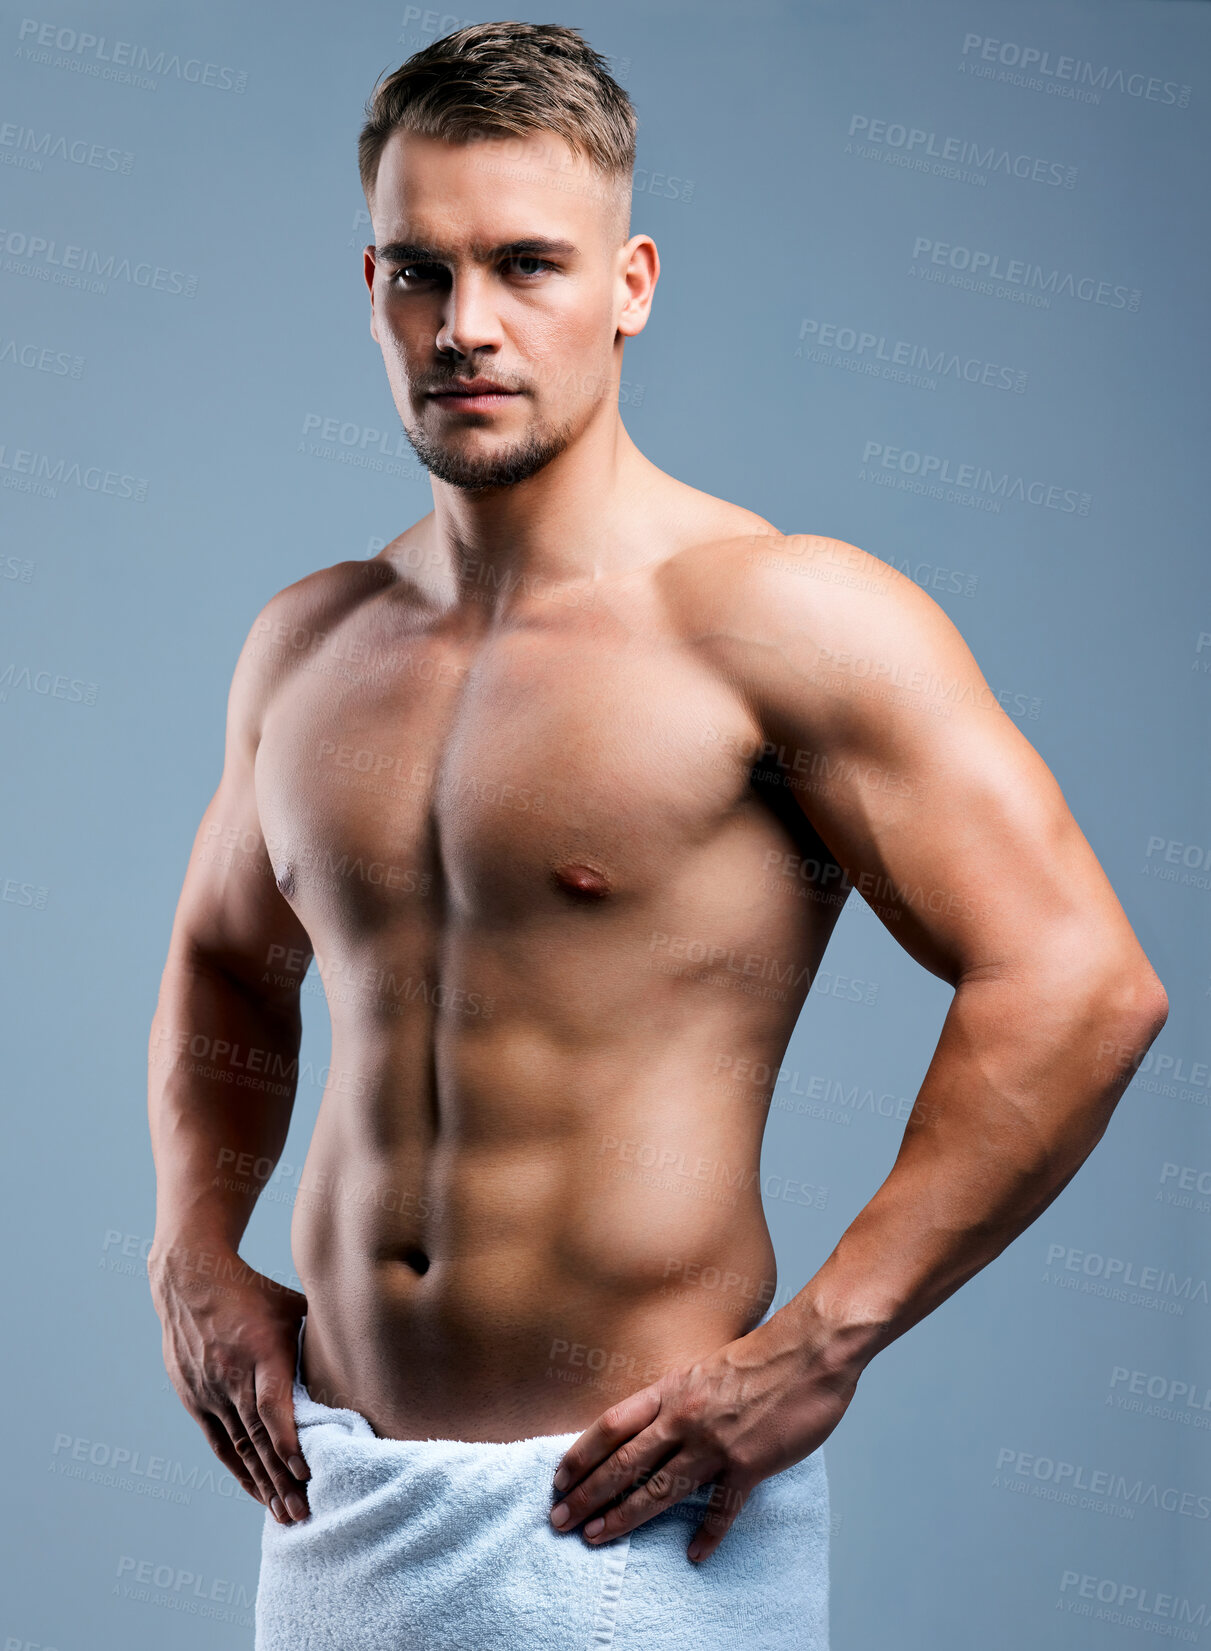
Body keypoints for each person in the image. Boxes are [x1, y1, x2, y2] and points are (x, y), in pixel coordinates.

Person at [146, 21, 1168, 1650]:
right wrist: (192, 1245)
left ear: (630, 283)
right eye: (420, 271)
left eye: (525, 265)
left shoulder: (781, 622)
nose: (465, 325)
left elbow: (1082, 984)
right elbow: (220, 958)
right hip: (343, 1509)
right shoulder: (308, 644)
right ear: (370, 286)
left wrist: (825, 1340)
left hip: (634, 1528)